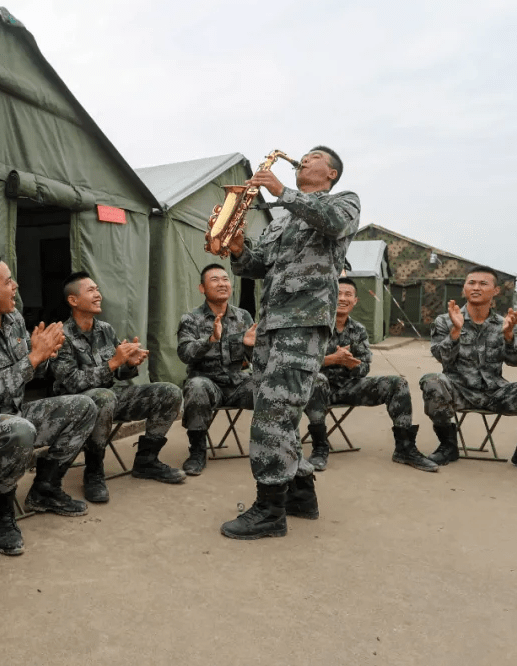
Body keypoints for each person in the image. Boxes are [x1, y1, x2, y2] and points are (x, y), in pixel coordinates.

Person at [220, 146, 361, 539]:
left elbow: (332, 223)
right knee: (275, 409)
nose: (304, 159)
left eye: (314, 157)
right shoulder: (281, 221)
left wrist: (281, 191)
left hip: (303, 324)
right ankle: (300, 493)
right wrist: (236, 249)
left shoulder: (343, 202)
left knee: (272, 413)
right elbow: (257, 266)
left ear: (331, 173)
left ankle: (270, 510)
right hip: (272, 326)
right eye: (304, 156)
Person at [0, 253, 98, 553]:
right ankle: (0, 513)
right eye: (8, 281)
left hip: (14, 414)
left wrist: (43, 355)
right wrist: (34, 357)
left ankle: (46, 489)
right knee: (19, 428)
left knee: (83, 407)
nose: (15, 286)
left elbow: (25, 372)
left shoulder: (12, 318)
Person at [420, 266, 517, 478]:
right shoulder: (446, 320)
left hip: (496, 392)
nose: (476, 288)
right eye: (471, 283)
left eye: (483, 283)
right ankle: (447, 447)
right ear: (464, 288)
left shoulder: (504, 323)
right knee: (432, 380)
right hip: (458, 391)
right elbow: (440, 357)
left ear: (495, 291)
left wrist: (509, 336)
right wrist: (455, 332)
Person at [50, 271, 185, 502]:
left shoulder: (105, 329)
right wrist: (113, 363)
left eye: (98, 290)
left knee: (169, 392)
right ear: (73, 300)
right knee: (103, 397)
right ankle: (93, 471)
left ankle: (147, 460)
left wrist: (129, 365)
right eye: (91, 290)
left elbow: (117, 374)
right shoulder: (60, 336)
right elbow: (72, 383)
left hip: (109, 398)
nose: (98, 295)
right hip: (77, 407)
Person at [303, 277, 437, 472]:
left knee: (397, 383)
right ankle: (320, 448)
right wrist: (333, 359)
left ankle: (404, 448)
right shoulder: (314, 327)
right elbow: (300, 363)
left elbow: (364, 368)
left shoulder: (358, 330)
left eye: (348, 295)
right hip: (315, 392)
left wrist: (352, 364)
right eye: (338, 294)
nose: (342, 298)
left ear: (355, 301)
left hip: (348, 387)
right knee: (317, 380)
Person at [176, 263, 258, 476]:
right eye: (215, 280)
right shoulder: (191, 319)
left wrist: (252, 347)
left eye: (225, 279)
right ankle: (197, 451)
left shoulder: (244, 317)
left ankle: (271, 446)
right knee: (196, 386)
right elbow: (185, 353)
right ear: (202, 288)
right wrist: (211, 339)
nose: (222, 284)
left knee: (269, 388)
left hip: (237, 382)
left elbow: (254, 357)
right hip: (207, 382)